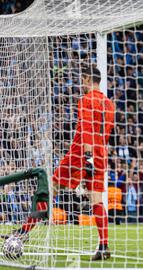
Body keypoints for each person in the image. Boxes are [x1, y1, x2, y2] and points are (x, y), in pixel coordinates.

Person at [52, 65, 115, 260]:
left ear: (88, 79)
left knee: (51, 186)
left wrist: (87, 159)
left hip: (81, 155)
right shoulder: (109, 104)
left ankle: (24, 232)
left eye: (82, 79)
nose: (81, 83)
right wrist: (95, 158)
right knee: (97, 201)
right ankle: (103, 246)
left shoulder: (86, 100)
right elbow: (105, 135)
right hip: (100, 156)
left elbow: (86, 130)